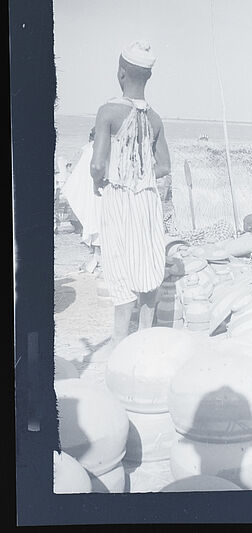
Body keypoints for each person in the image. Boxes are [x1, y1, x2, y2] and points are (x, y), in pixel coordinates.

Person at [91, 40, 171, 345]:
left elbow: (98, 164)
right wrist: (143, 174)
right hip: (148, 198)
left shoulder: (108, 111)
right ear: (147, 77)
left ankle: (120, 344)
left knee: (120, 266)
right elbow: (164, 165)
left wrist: (99, 180)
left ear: (121, 73)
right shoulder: (156, 118)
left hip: (120, 197)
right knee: (148, 263)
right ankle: (146, 339)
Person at [62, 127, 102, 271]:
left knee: (94, 218)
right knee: (96, 218)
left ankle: (97, 256)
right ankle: (98, 256)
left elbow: (76, 173)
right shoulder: (92, 149)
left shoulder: (88, 149)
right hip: (97, 189)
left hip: (94, 189)